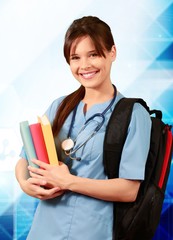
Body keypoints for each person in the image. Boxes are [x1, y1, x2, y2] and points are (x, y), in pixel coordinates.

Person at [15, 16, 151, 240]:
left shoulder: (134, 115)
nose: (84, 66)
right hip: (44, 230)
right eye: (75, 57)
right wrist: (24, 184)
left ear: (112, 53)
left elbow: (129, 190)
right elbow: (24, 158)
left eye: (94, 54)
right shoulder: (59, 106)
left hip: (92, 231)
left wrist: (68, 181)